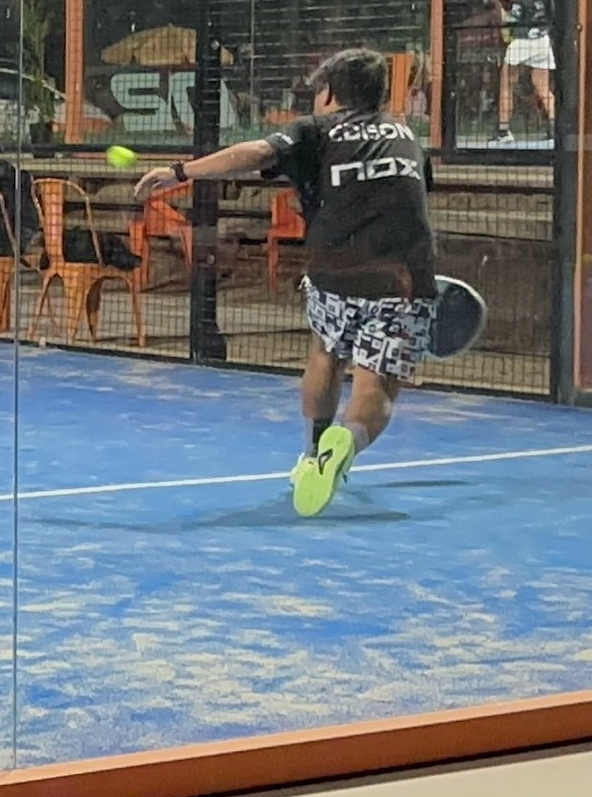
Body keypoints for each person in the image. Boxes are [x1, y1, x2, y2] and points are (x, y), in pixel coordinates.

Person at [133, 46, 436, 518]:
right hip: (403, 277)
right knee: (376, 385)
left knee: (325, 353)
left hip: (334, 272)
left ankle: (314, 452)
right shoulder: (407, 135)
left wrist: (178, 173)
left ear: (330, 93)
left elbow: (257, 153)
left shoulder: (315, 129)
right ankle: (347, 442)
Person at [488, 0, 556, 145]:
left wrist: (497, 2)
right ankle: (555, 129)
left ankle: (504, 130)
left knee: (506, 85)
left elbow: (508, 20)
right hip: (542, 41)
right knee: (543, 88)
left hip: (522, 42)